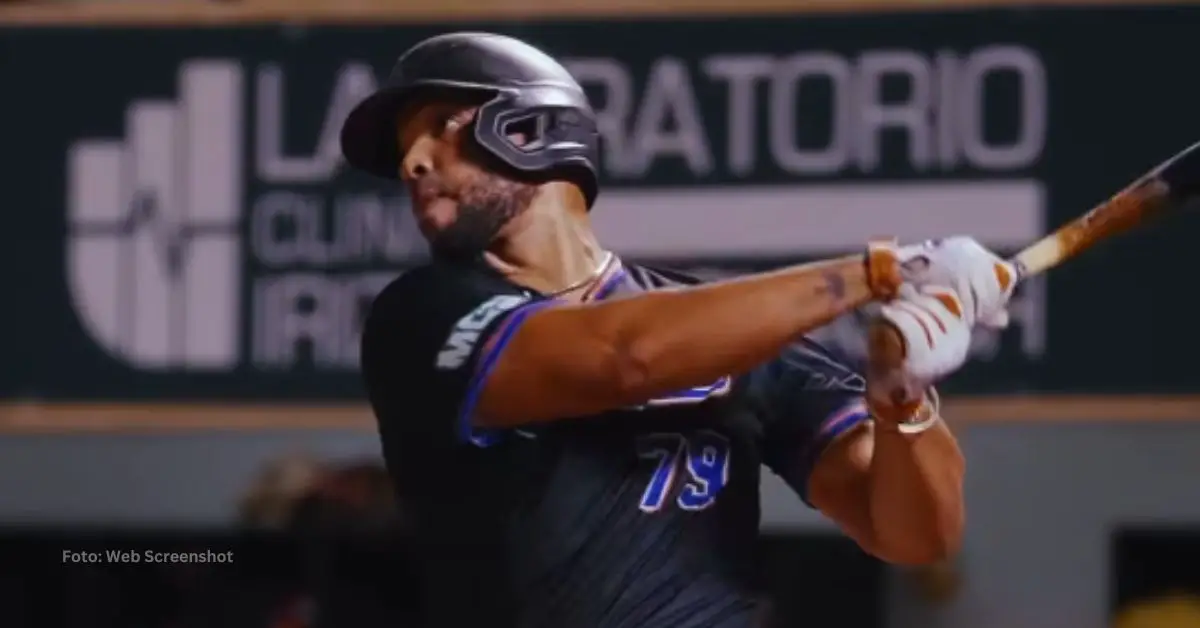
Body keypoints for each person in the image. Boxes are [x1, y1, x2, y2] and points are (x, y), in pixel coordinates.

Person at [342, 32, 1016, 628]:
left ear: (530, 128)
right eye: (406, 150)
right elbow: (621, 356)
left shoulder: (724, 330)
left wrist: (905, 404)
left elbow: (913, 535)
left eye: (440, 126)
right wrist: (883, 272)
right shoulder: (424, 315)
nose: (412, 164)